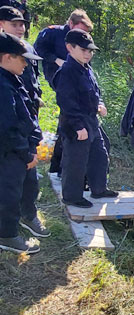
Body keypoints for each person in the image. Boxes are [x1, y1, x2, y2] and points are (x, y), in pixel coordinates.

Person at [53, 28, 116, 208]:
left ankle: (99, 189)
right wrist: (77, 126)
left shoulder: (86, 69)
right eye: (83, 50)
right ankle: (72, 196)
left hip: (91, 121)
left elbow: (95, 92)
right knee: (76, 161)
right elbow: (66, 102)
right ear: (69, 48)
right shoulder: (66, 72)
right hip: (75, 124)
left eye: (90, 51)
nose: (88, 54)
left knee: (99, 155)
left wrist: (100, 105)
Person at [0, 32, 47, 254]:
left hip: (19, 150)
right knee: (8, 193)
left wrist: (35, 142)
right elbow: (8, 128)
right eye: (22, 58)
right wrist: (26, 154)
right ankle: (7, 236)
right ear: (7, 57)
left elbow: (25, 115)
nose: (27, 64)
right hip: (10, 153)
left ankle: (17, 224)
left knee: (19, 189)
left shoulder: (11, 78)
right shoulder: (2, 86)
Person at [34, 9, 93, 176]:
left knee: (68, 118)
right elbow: (38, 50)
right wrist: (56, 60)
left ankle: (59, 166)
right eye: (80, 29)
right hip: (57, 74)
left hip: (75, 75)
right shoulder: (52, 33)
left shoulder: (82, 40)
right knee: (69, 113)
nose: (83, 33)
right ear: (71, 24)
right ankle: (61, 167)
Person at [0, 6, 41, 121]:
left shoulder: (28, 48)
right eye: (14, 25)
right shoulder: (2, 51)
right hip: (10, 104)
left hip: (30, 102)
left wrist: (37, 94)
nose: (20, 29)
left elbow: (35, 74)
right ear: (1, 24)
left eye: (21, 25)